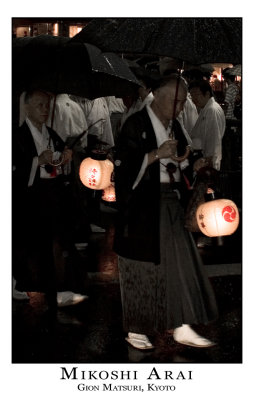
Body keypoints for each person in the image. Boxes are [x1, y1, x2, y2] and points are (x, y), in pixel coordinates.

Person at [113, 75, 218, 350]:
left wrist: (192, 164)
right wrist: (156, 154)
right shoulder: (135, 124)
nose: (180, 107)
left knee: (181, 263)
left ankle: (182, 324)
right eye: (176, 101)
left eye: (183, 102)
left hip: (170, 201)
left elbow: (184, 156)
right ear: (157, 95)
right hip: (142, 205)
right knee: (142, 267)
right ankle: (137, 328)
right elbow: (124, 169)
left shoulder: (175, 125)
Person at [12, 90, 88, 307]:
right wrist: (36, 161)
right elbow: (13, 170)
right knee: (33, 246)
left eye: (47, 105)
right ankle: (23, 283)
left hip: (53, 193)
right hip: (30, 196)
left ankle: (60, 288)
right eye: (39, 105)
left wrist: (65, 158)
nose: (45, 110)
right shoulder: (17, 137)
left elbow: (59, 162)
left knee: (57, 241)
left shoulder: (52, 133)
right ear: (26, 107)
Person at [189, 79, 226, 171]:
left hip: (206, 159)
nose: (194, 99)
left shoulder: (212, 110)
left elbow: (213, 140)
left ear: (207, 94)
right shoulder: (206, 108)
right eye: (192, 95)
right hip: (201, 156)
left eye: (197, 95)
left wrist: (209, 162)